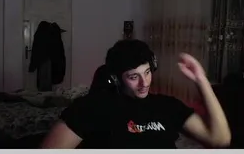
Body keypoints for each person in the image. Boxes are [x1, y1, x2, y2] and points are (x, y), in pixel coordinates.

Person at [41, 39, 230, 148]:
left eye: (147, 72)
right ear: (116, 79)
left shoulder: (167, 106)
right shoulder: (91, 108)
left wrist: (201, 80)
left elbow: (219, 139)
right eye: (134, 77)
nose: (144, 83)